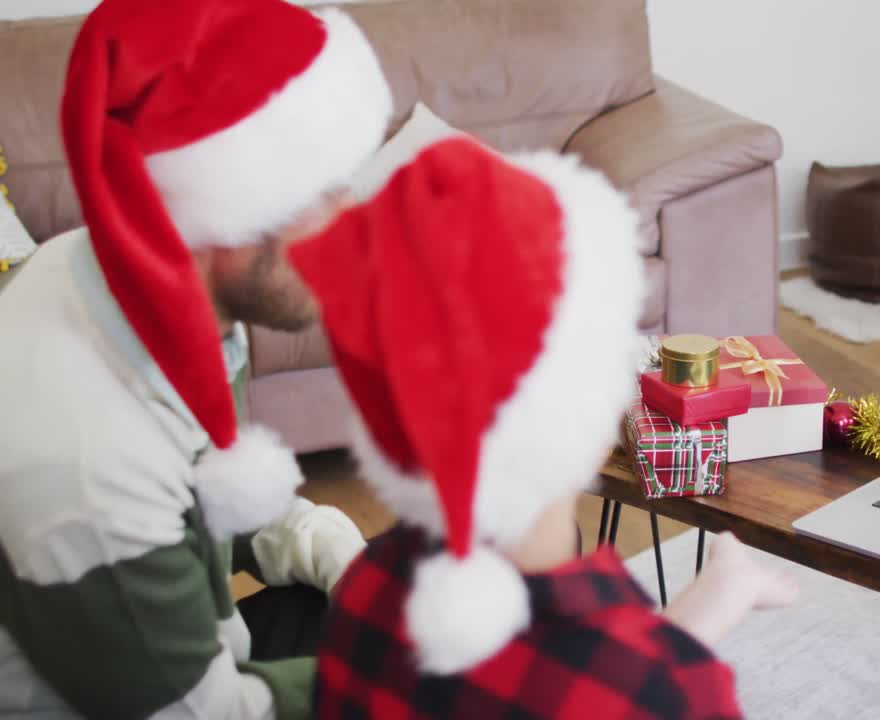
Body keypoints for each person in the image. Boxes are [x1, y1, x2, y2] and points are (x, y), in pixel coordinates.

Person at [292, 135, 797, 718]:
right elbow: (634, 685)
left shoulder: (365, 592)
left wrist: (713, 603)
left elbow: (597, 669)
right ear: (599, 409)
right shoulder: (671, 695)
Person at [0, 0, 392, 716]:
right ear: (227, 207)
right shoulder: (90, 468)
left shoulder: (136, 287)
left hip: (191, 651)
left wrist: (346, 561)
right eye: (323, 191)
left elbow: (215, 487)